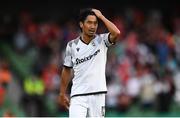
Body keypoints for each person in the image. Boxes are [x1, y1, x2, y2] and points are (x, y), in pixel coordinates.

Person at [59, 8, 120, 117]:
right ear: (81, 24)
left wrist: (101, 17)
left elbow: (116, 32)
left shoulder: (102, 41)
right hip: (78, 96)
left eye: (95, 23)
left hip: (98, 95)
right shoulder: (71, 45)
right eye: (89, 23)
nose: (93, 26)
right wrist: (62, 93)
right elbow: (66, 69)